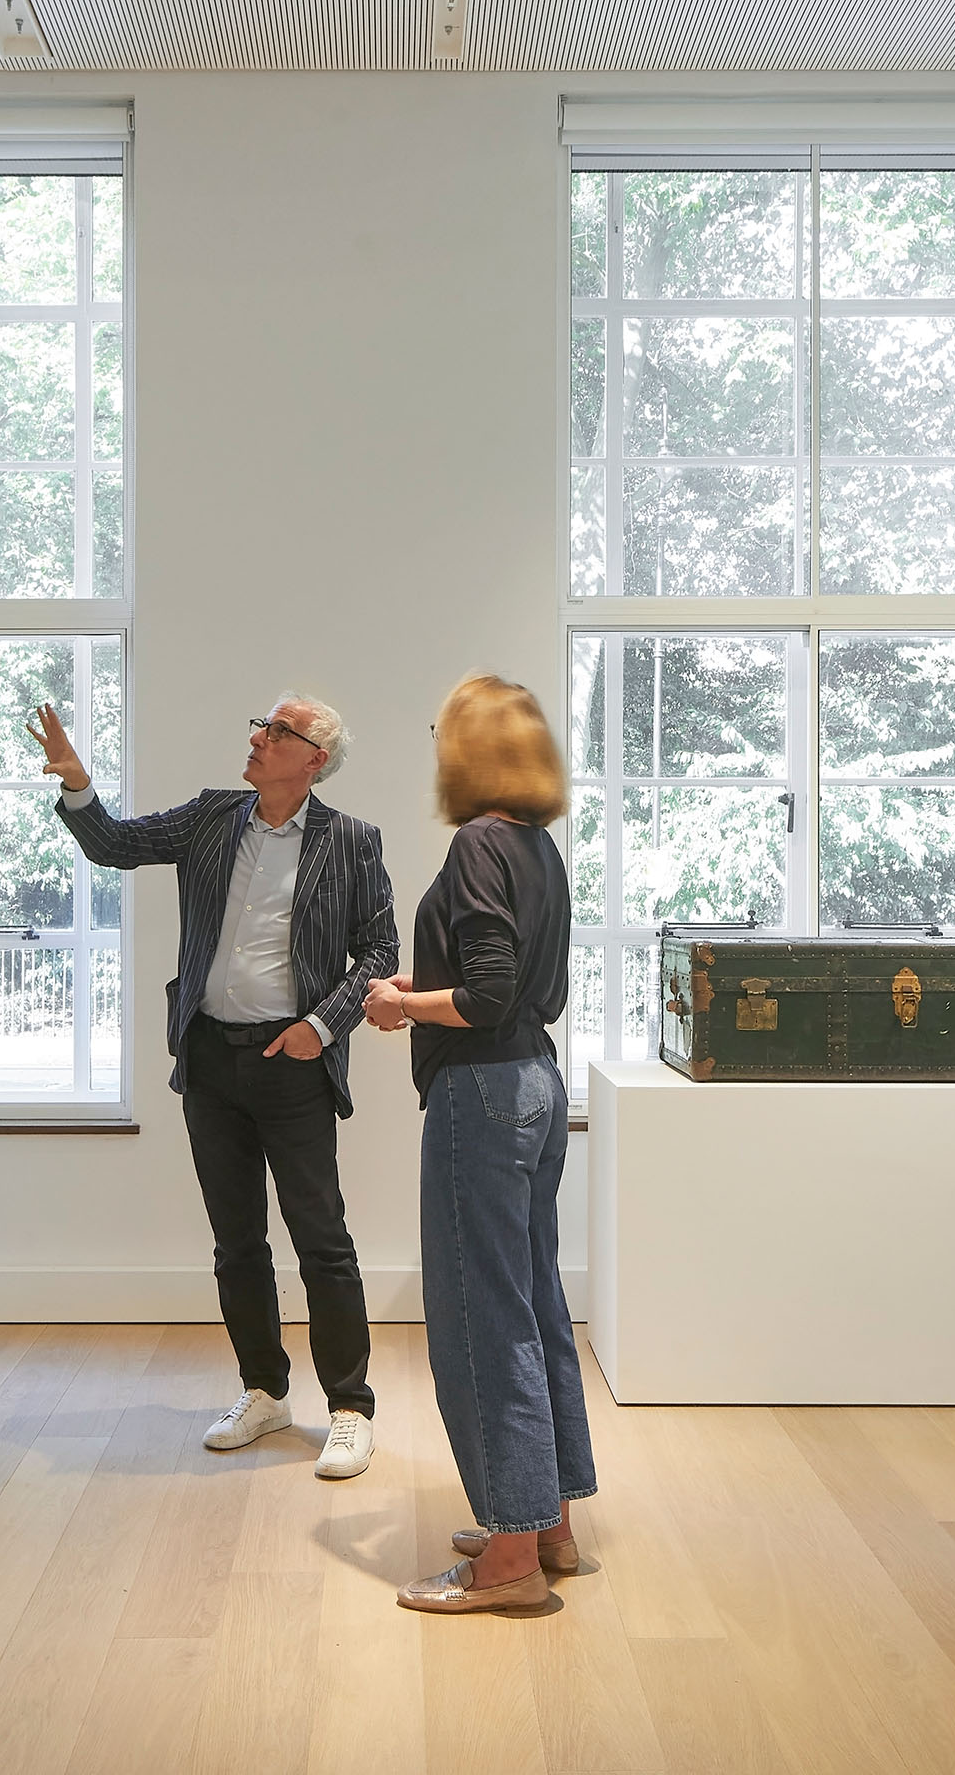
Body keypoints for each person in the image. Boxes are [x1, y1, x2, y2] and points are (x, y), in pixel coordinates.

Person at [27, 694, 395, 1480]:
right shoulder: (211, 816)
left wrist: (322, 1026)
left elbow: (377, 950)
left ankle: (349, 1407)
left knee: (321, 1240)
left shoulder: (353, 842)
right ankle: (265, 1391)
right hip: (211, 1059)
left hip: (294, 1064)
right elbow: (116, 846)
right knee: (237, 1242)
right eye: (260, 725)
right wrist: (77, 783)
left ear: (313, 760)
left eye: (280, 732)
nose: (259, 738)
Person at [364, 675, 597, 1611]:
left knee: (478, 1315)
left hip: (485, 1093)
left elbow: (487, 996)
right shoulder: (538, 850)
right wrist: (426, 983)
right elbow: (528, 988)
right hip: (538, 1084)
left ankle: (504, 1560)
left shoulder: (475, 846)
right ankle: (546, 1523)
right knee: (534, 1304)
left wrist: (398, 1005)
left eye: (441, 731)